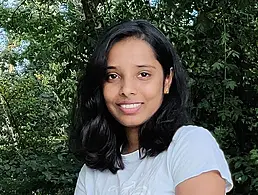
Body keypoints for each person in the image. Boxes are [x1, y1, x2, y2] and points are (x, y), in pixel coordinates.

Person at [70, 20, 233, 195]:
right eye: (113, 76)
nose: (127, 89)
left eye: (143, 74)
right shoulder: (92, 172)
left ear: (167, 80)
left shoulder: (189, 144)